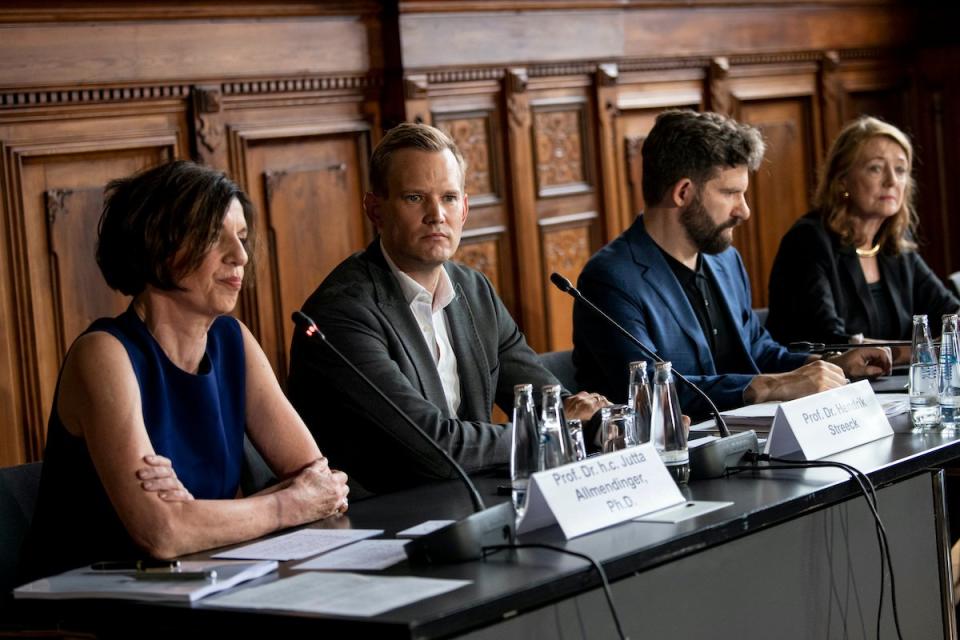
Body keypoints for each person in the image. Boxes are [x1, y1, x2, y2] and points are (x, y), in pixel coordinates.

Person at [19, 161, 349, 583]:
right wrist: (283, 505)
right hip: (91, 603)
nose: (241, 256)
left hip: (200, 580)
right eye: (216, 237)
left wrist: (198, 516)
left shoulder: (233, 340)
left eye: (243, 238)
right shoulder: (103, 353)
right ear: (159, 245)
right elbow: (162, 533)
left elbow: (322, 484)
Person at [288, 123, 606, 494]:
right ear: (376, 210)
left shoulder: (473, 290)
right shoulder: (342, 313)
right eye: (414, 198)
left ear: (465, 209)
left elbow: (545, 399)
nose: (436, 214)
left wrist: (618, 423)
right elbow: (436, 449)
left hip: (469, 500)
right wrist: (556, 427)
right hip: (383, 520)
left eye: (449, 198)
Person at [572, 110, 892, 417]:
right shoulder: (610, 279)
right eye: (731, 193)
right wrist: (770, 386)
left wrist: (829, 364)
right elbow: (653, 392)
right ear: (683, 193)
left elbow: (757, 349)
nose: (744, 211)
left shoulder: (725, 259)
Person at [766, 116, 959, 354]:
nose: (891, 181)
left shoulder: (893, 243)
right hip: (828, 387)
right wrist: (919, 352)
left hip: (891, 386)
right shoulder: (808, 241)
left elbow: (949, 312)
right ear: (842, 180)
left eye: (900, 170)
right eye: (875, 168)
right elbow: (828, 341)